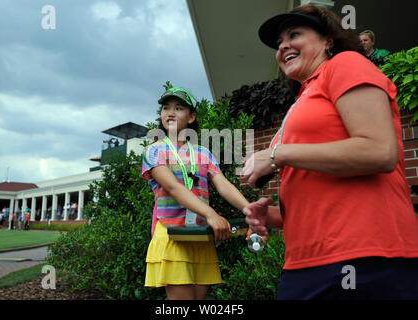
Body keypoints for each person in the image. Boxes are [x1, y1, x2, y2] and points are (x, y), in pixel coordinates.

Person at [243, 4, 418, 300]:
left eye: (294, 34)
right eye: (278, 43)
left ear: (328, 40)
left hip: (363, 258)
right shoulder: (305, 97)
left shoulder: (345, 63)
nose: (283, 45)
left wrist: (277, 155)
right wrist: (272, 215)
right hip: (306, 264)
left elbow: (379, 151)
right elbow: (323, 193)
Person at [142, 87, 251, 300]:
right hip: (173, 234)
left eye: (178, 108)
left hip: (200, 235)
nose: (170, 113)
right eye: (166, 108)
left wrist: (251, 212)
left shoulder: (203, 152)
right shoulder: (154, 150)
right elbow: (173, 187)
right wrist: (212, 214)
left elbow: (224, 184)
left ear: (191, 117)